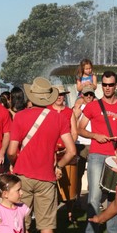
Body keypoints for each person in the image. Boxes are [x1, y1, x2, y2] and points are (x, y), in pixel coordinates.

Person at [7, 77, 76, 233]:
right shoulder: (59, 118)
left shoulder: (19, 117)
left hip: (22, 176)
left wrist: (15, 161)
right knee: (46, 225)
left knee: (20, 222)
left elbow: (12, 150)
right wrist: (58, 166)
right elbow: (71, 151)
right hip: (46, 177)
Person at [77, 70, 117, 233]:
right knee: (94, 194)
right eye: (104, 85)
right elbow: (80, 128)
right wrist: (95, 136)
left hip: (115, 156)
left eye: (110, 85)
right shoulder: (93, 106)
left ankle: (113, 231)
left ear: (116, 86)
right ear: (101, 86)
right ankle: (91, 232)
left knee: (114, 194)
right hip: (96, 155)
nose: (107, 88)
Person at [48, 84, 78, 223]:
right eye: (57, 94)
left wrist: (68, 147)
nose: (60, 97)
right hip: (49, 153)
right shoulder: (47, 110)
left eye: (62, 94)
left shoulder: (69, 112)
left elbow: (74, 133)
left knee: (69, 185)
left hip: (66, 153)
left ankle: (70, 212)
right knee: (50, 186)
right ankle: (50, 213)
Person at [73, 85, 96, 204]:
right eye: (86, 94)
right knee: (79, 173)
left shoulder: (97, 107)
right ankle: (76, 198)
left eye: (91, 94)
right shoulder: (78, 108)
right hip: (80, 143)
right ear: (82, 95)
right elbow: (72, 125)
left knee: (94, 173)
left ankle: (93, 200)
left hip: (93, 143)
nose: (88, 96)